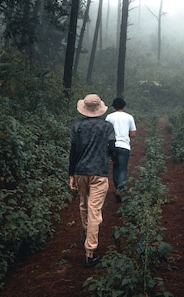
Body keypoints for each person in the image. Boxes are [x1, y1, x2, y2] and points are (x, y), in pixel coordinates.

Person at [68, 93, 116, 268]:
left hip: (81, 172)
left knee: (83, 205)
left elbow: (73, 152)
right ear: (99, 109)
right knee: (94, 210)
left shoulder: (77, 127)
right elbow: (112, 148)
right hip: (99, 172)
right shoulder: (107, 127)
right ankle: (90, 252)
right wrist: (113, 159)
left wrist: (71, 175)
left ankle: (86, 232)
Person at [105, 97, 136, 203]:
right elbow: (133, 133)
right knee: (123, 168)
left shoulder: (109, 117)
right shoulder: (129, 117)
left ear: (114, 106)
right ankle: (120, 189)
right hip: (124, 146)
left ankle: (116, 187)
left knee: (115, 167)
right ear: (123, 106)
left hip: (112, 145)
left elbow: (105, 131)